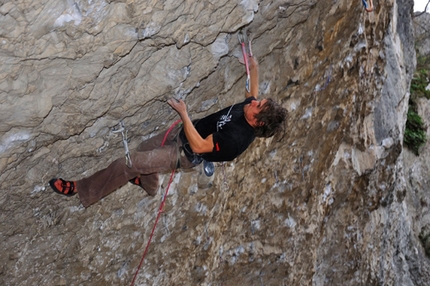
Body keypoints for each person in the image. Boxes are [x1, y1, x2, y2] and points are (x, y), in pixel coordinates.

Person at [49, 56, 287, 207]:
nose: (253, 102)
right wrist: (253, 67)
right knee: (143, 150)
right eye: (259, 102)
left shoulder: (237, 140)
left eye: (257, 107)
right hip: (183, 133)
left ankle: (83, 189)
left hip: (184, 153)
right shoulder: (250, 108)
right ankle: (150, 186)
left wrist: (183, 114)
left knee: (127, 163)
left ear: (258, 123)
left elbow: (199, 146)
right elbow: (252, 92)